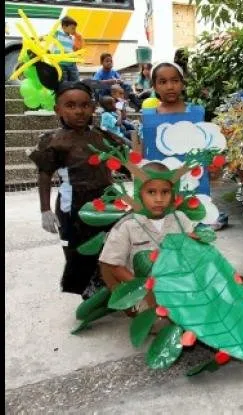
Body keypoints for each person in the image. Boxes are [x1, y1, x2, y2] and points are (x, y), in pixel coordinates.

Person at [28, 81, 127, 299]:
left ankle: (106, 281)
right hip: (73, 206)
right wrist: (45, 210)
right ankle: (86, 288)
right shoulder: (53, 141)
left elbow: (124, 162)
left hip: (107, 201)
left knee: (109, 244)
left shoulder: (102, 136)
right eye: (70, 105)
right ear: (58, 110)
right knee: (78, 248)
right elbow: (44, 174)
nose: (78, 111)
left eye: (84, 105)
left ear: (92, 107)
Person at [99, 161, 195, 316]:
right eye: (151, 192)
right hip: (144, 291)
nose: (159, 199)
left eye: (165, 192)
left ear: (172, 194)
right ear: (139, 193)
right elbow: (110, 265)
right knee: (165, 322)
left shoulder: (181, 219)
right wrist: (134, 296)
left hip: (177, 286)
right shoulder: (127, 225)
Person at [143, 61, 228, 231]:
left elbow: (212, 146)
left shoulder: (197, 113)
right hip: (161, 189)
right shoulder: (149, 117)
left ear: (182, 83)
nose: (170, 86)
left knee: (196, 234)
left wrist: (215, 167)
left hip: (196, 187)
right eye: (163, 82)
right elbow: (146, 154)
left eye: (175, 80)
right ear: (154, 86)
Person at [52, 16, 81, 82]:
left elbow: (74, 49)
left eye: (75, 29)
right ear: (64, 27)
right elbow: (48, 36)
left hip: (71, 63)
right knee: (64, 81)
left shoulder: (72, 37)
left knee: (76, 80)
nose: (74, 30)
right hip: (61, 63)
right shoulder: (58, 34)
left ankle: (76, 89)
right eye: (72, 28)